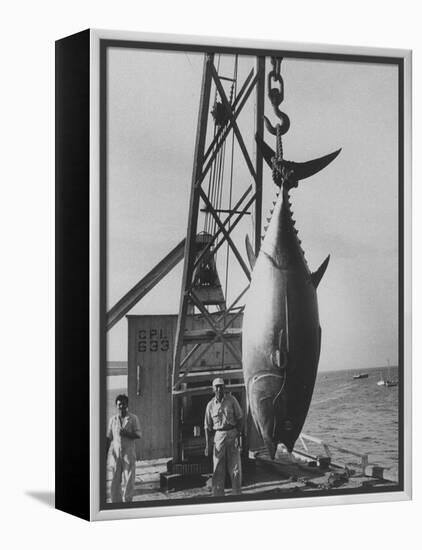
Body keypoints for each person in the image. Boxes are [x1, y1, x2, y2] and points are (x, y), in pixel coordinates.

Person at [204, 378, 243, 496]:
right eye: (216, 386)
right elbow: (207, 426)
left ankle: (237, 495)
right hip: (218, 436)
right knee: (218, 469)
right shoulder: (210, 405)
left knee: (235, 468)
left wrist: (238, 435)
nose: (219, 389)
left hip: (232, 434)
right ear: (213, 389)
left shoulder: (232, 400)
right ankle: (218, 496)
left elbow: (240, 418)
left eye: (221, 386)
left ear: (224, 388)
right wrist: (207, 445)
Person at [106, 394, 141, 503]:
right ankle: (116, 503)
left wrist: (127, 433)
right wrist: (104, 454)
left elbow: (138, 435)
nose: (122, 406)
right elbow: (108, 438)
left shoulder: (133, 418)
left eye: (124, 404)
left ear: (127, 405)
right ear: (116, 406)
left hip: (128, 455)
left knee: (129, 480)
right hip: (116, 455)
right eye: (119, 404)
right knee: (115, 480)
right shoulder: (113, 420)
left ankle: (127, 502)